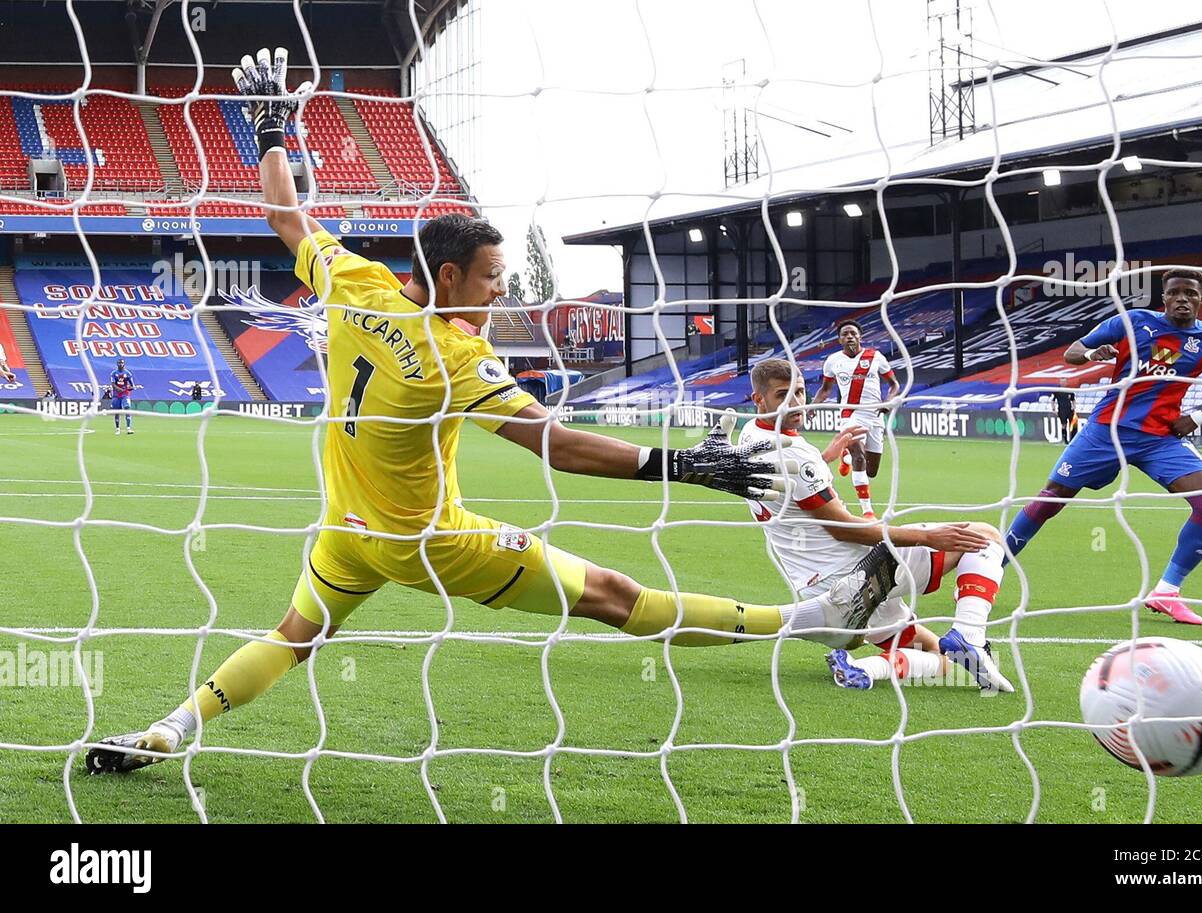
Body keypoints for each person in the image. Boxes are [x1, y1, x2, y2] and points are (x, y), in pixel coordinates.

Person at [85, 49, 886, 774]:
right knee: (614, 596)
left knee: (294, 635)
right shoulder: (455, 357)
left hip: (348, 531)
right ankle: (813, 614)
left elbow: (285, 215)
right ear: (447, 272)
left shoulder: (353, 281)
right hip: (435, 539)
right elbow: (559, 446)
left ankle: (170, 727)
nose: (502, 286)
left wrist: (267, 130)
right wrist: (684, 465)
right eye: (491, 275)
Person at [1004, 268, 1202, 626]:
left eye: (1190, 293)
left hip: (1160, 438)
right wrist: (1093, 356)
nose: (1182, 299)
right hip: (1105, 432)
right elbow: (1073, 352)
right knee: (1051, 498)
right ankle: (993, 567)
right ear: (1164, 297)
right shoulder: (1134, 321)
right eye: (1175, 293)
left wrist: (1200, 417)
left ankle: (1167, 592)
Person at [741, 358, 1014, 693]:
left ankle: (863, 669)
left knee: (938, 655)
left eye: (800, 392)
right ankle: (970, 633)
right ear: (759, 399)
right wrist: (928, 537)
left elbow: (791, 483)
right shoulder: (797, 455)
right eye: (783, 395)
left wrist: (827, 456)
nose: (796, 403)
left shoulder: (751, 435)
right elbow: (844, 529)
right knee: (985, 536)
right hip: (858, 577)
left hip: (815, 588)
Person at [811, 322, 901, 519]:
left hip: (874, 416)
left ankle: (846, 457)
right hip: (850, 415)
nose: (849, 336)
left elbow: (894, 385)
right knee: (859, 454)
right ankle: (867, 511)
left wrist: (888, 401)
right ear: (840, 339)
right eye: (845, 334)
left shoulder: (876, 357)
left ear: (860, 336)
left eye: (853, 333)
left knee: (871, 471)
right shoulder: (833, 361)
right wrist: (813, 406)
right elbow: (825, 389)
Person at [107, 357, 139, 435]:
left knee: (127, 408)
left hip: (125, 394)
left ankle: (128, 428)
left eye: (122, 363)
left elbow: (132, 386)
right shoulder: (114, 373)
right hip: (116, 395)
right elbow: (113, 384)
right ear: (117, 364)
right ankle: (117, 429)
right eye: (119, 363)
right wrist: (118, 389)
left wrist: (129, 388)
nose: (120, 364)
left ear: (124, 364)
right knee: (117, 411)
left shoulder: (128, 373)